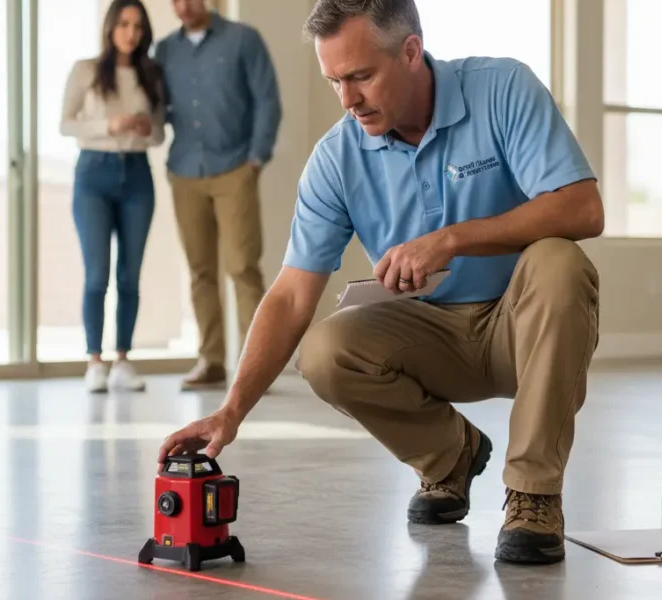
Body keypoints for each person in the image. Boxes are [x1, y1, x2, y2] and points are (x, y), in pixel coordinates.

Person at [157, 0, 603, 565]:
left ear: (411, 51)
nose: (348, 100)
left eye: (362, 76)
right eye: (335, 81)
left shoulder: (502, 88)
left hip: (524, 324)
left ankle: (534, 496)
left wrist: (450, 238)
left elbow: (584, 209)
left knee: (560, 262)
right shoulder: (337, 157)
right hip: (431, 337)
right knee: (324, 349)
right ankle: (450, 459)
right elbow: (293, 294)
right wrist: (231, 412)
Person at [152, 0, 282, 391]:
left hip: (235, 169)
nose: (183, 5)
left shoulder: (243, 39)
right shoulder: (165, 51)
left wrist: (256, 160)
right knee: (200, 271)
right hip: (186, 170)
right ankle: (211, 362)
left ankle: (255, 367)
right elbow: (160, 107)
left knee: (243, 268)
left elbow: (267, 100)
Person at [60, 0, 165, 393]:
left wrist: (141, 127)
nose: (131, 32)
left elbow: (158, 135)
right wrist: (111, 123)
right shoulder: (86, 70)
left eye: (138, 26)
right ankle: (95, 361)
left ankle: (123, 359)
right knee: (97, 274)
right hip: (93, 174)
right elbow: (65, 123)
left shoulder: (150, 73)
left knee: (130, 275)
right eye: (124, 23)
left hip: (137, 174)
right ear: (110, 27)